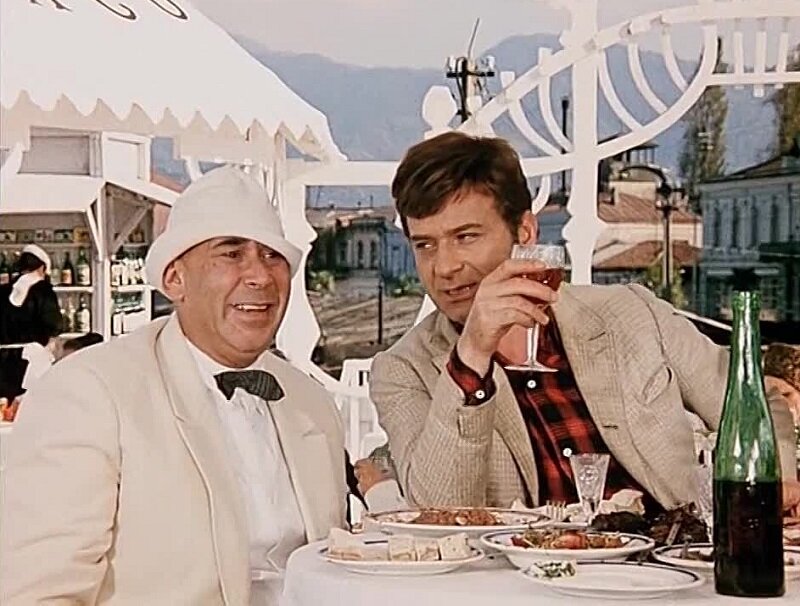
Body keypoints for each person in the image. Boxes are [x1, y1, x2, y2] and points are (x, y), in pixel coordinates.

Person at [369, 131, 800, 516]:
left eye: (466, 237)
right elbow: (441, 513)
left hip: (671, 562)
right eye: (425, 245)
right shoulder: (402, 371)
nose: (444, 267)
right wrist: (472, 357)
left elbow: (753, 402)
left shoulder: (632, 313)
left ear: (524, 232)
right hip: (529, 577)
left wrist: (773, 485)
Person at [1, 167, 348, 605]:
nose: (260, 276)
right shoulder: (89, 394)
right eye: (231, 253)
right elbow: (39, 594)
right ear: (174, 279)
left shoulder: (311, 401)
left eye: (272, 256)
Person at [0, 244, 61, 401]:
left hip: (3, 359)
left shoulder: (3, 291)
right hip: (31, 360)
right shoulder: (43, 290)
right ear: (42, 268)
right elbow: (53, 327)